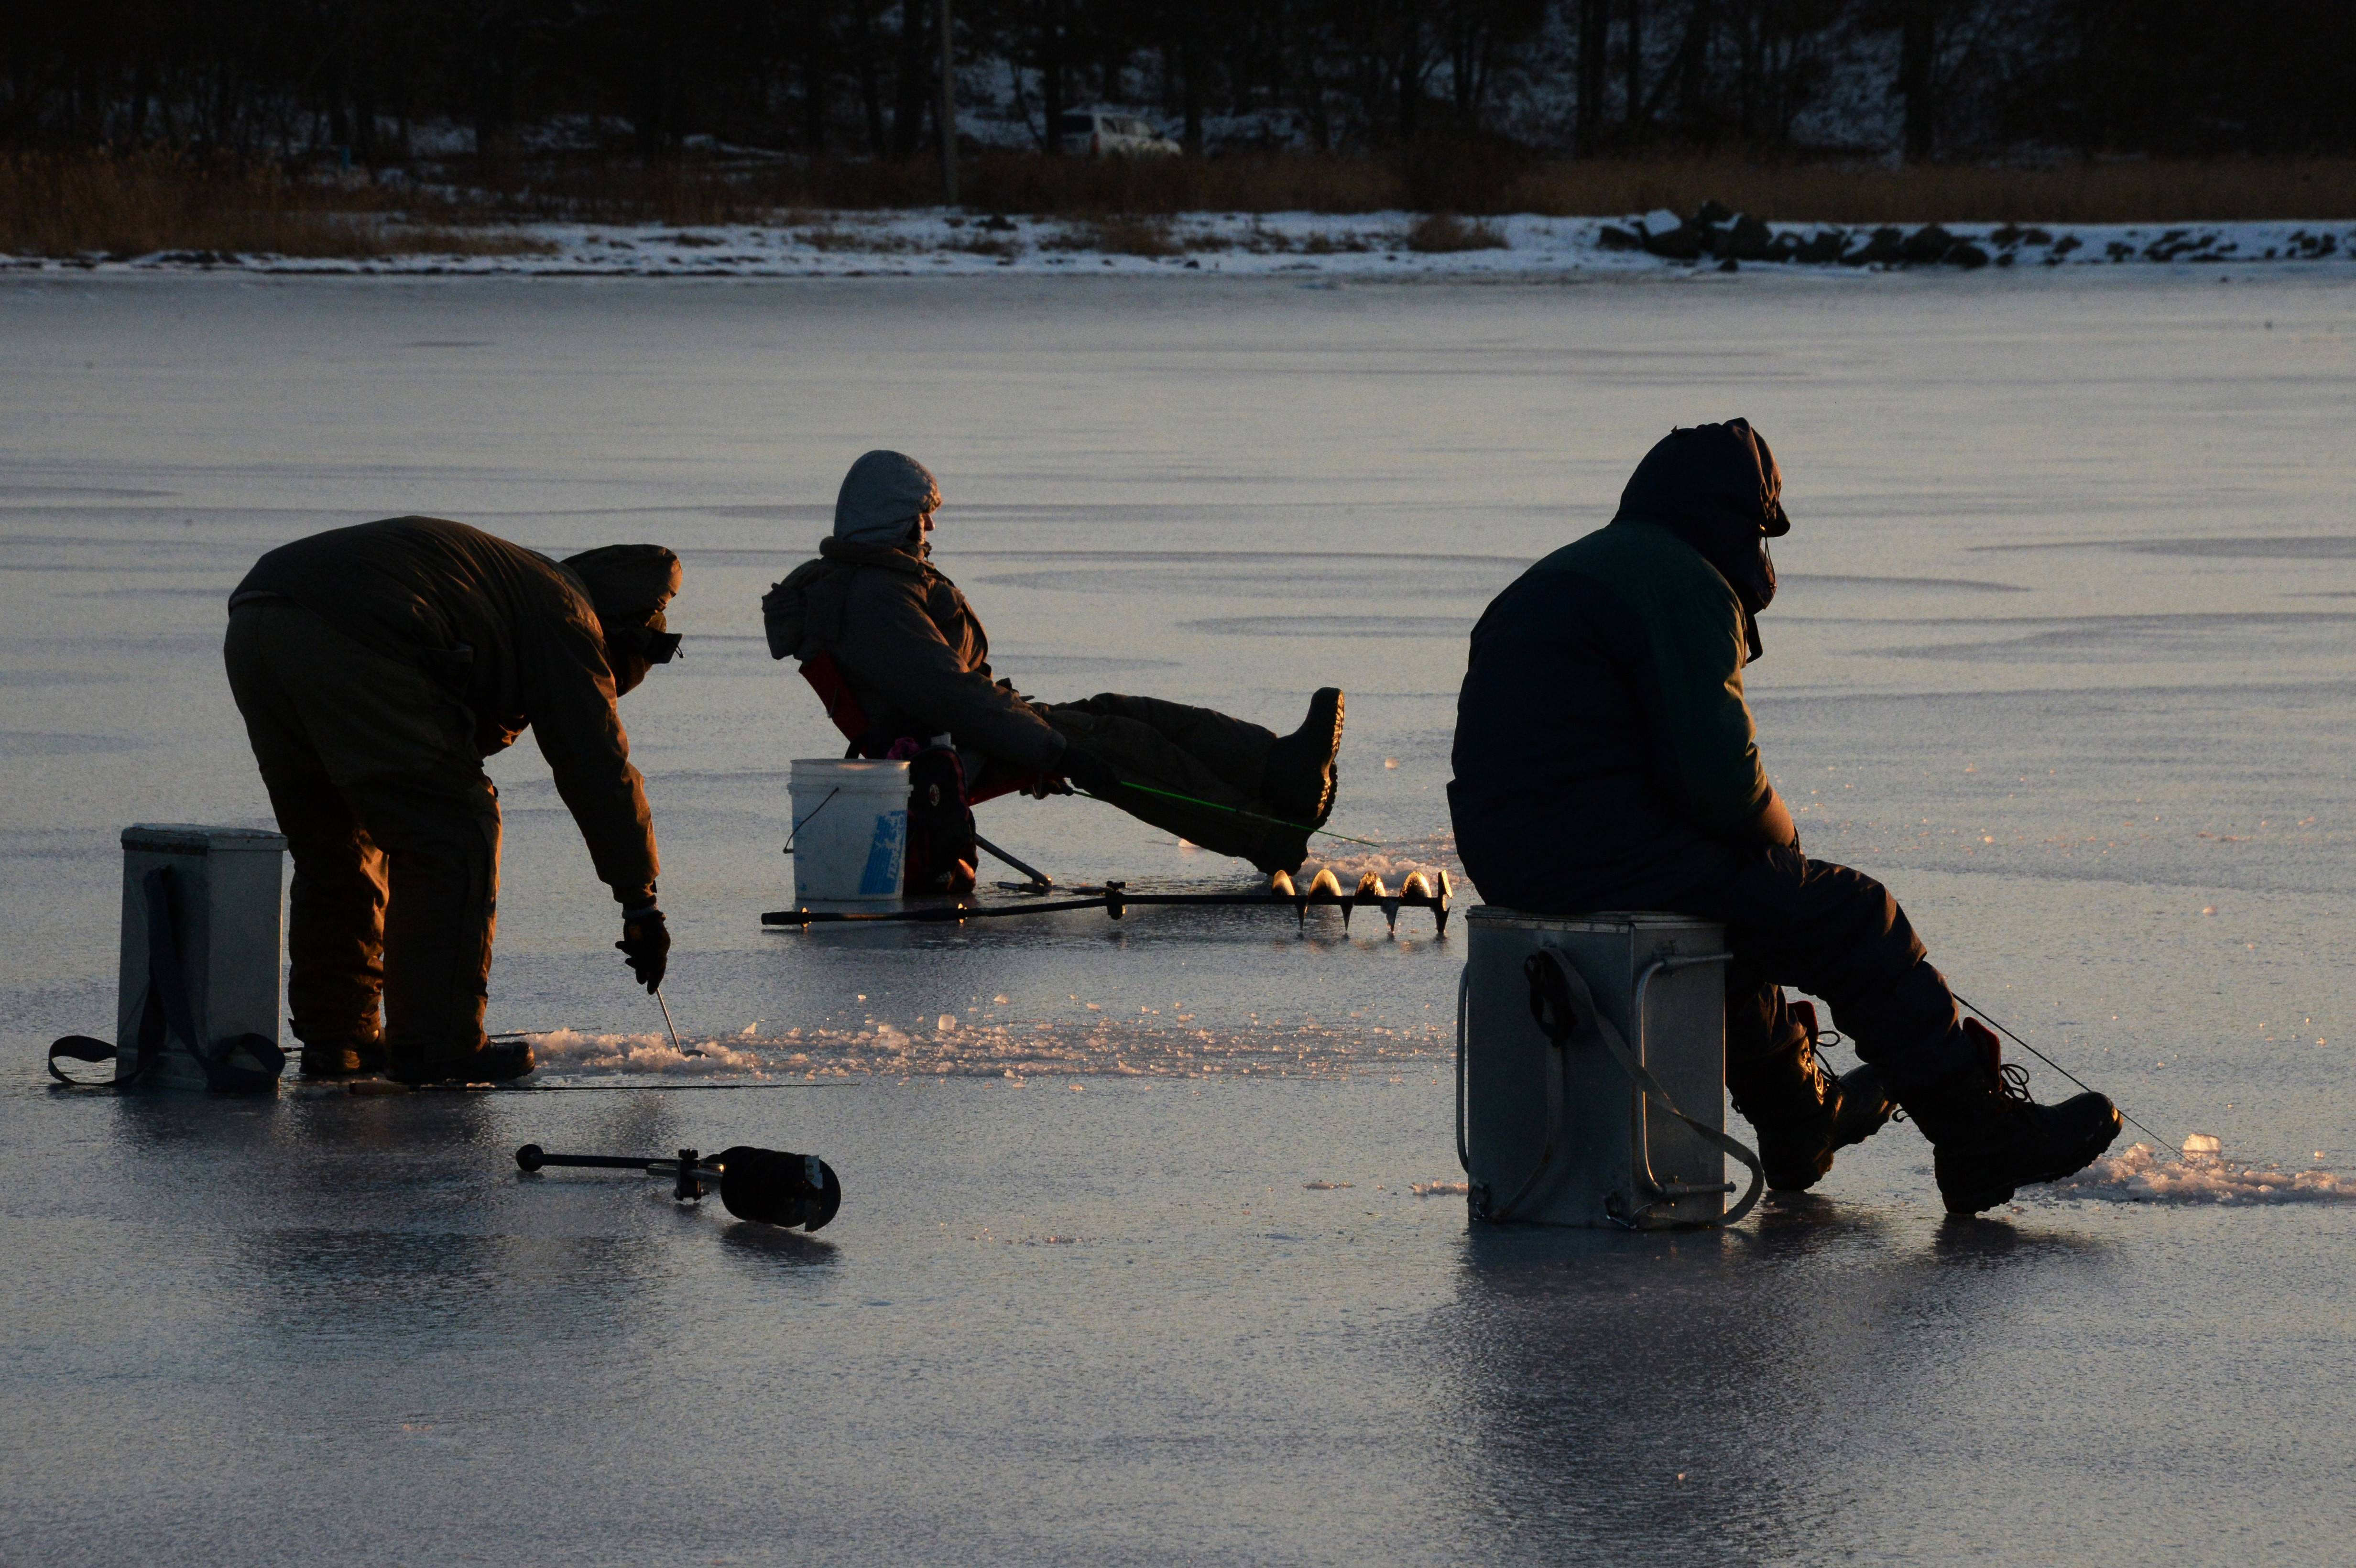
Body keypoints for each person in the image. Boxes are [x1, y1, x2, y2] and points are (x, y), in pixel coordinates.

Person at [1448, 420, 2120, 1215]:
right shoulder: (1683, 579)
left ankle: (1800, 1120)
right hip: (1598, 852)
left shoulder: (1562, 574)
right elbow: (1720, 779)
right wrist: (1787, 860)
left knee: (1726, 902)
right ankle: (1979, 1137)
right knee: (1850, 915)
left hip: (1509, 855)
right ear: (1733, 523)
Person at [223, 516, 681, 1085]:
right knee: (455, 833)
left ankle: (339, 1039)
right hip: (361, 627)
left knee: (338, 843)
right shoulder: (569, 615)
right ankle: (438, 1045)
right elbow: (597, 764)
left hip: (257, 621)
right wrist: (640, 901)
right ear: (622, 634)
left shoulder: (518, 585)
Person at [762, 450, 1345, 874]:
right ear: (891, 516)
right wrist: (1054, 751)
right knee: (1115, 744)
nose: (931, 525)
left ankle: (1281, 772)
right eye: (922, 512)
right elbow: (950, 694)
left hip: (962, 729)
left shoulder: (878, 584)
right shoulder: (875, 599)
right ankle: (1268, 837)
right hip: (945, 750)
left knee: (1122, 711)